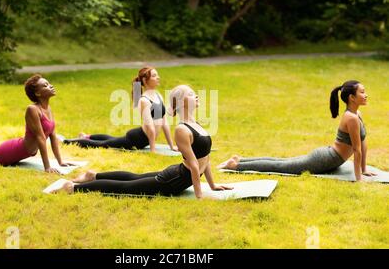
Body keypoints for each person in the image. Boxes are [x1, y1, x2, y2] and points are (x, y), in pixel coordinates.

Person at [49, 85, 233, 198]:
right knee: (127, 187)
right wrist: (200, 195)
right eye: (192, 94)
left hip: (177, 174)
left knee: (135, 177)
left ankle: (93, 176)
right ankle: (73, 188)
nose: (197, 96)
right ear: (180, 101)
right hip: (173, 181)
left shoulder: (196, 124)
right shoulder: (182, 129)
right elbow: (194, 165)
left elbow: (205, 159)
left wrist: (212, 185)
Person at [217, 80, 376, 182]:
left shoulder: (357, 115)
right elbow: (356, 150)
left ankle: (240, 159)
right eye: (362, 92)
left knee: (283, 162)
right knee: (282, 166)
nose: (366, 95)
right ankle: (236, 165)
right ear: (351, 98)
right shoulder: (352, 118)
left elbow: (363, 143)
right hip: (326, 159)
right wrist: (359, 179)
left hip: (328, 156)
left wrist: (363, 170)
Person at [63, 66, 177, 153]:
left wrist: (172, 146)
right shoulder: (144, 100)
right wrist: (153, 150)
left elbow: (164, 122)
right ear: (145, 80)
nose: (158, 78)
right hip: (136, 139)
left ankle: (86, 136)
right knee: (104, 144)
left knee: (111, 139)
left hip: (143, 138)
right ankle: (67, 141)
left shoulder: (158, 95)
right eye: (154, 76)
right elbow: (150, 127)